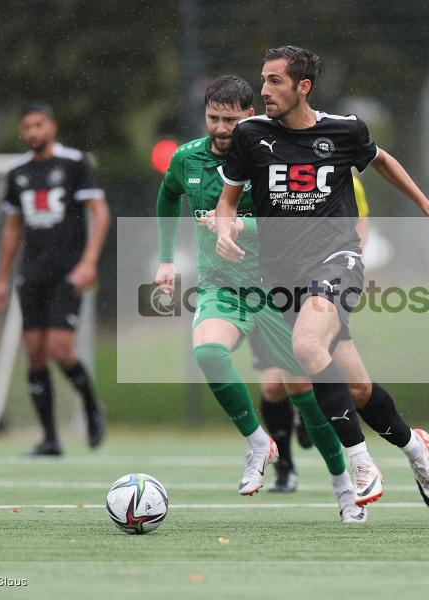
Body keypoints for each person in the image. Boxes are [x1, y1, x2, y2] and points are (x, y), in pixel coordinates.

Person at [216, 45, 429, 508]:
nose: (263, 91)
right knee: (358, 389)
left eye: (275, 81)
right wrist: (225, 231)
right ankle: (415, 447)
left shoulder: (344, 131)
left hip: (338, 260)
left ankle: (361, 462)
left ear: (302, 87)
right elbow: (228, 200)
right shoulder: (250, 135)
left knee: (307, 347)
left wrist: (428, 206)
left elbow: (382, 160)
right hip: (282, 278)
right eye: (263, 80)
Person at [153, 75, 365, 523]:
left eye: (232, 119)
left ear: (250, 116)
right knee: (209, 353)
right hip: (221, 287)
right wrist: (167, 259)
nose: (222, 128)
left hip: (278, 288)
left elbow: (291, 222)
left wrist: (234, 226)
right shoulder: (187, 159)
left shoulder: (271, 157)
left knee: (304, 394)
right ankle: (257, 442)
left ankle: (344, 487)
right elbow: (168, 195)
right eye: (214, 118)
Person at [0, 102, 109, 456]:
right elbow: (13, 228)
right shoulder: (18, 172)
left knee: (61, 349)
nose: (33, 133)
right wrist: (1, 278)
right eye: (27, 127)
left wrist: (89, 262)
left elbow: (99, 212)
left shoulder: (74, 163)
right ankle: (49, 439)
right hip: (33, 274)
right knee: (36, 354)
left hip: (68, 271)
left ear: (52, 127)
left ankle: (91, 404)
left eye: (39, 125)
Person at [257, 174, 370, 493]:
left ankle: (335, 464)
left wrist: (351, 271)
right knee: (272, 388)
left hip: (321, 288)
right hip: (272, 288)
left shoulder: (346, 179)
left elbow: (360, 225)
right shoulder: (266, 166)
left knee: (308, 377)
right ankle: (285, 467)